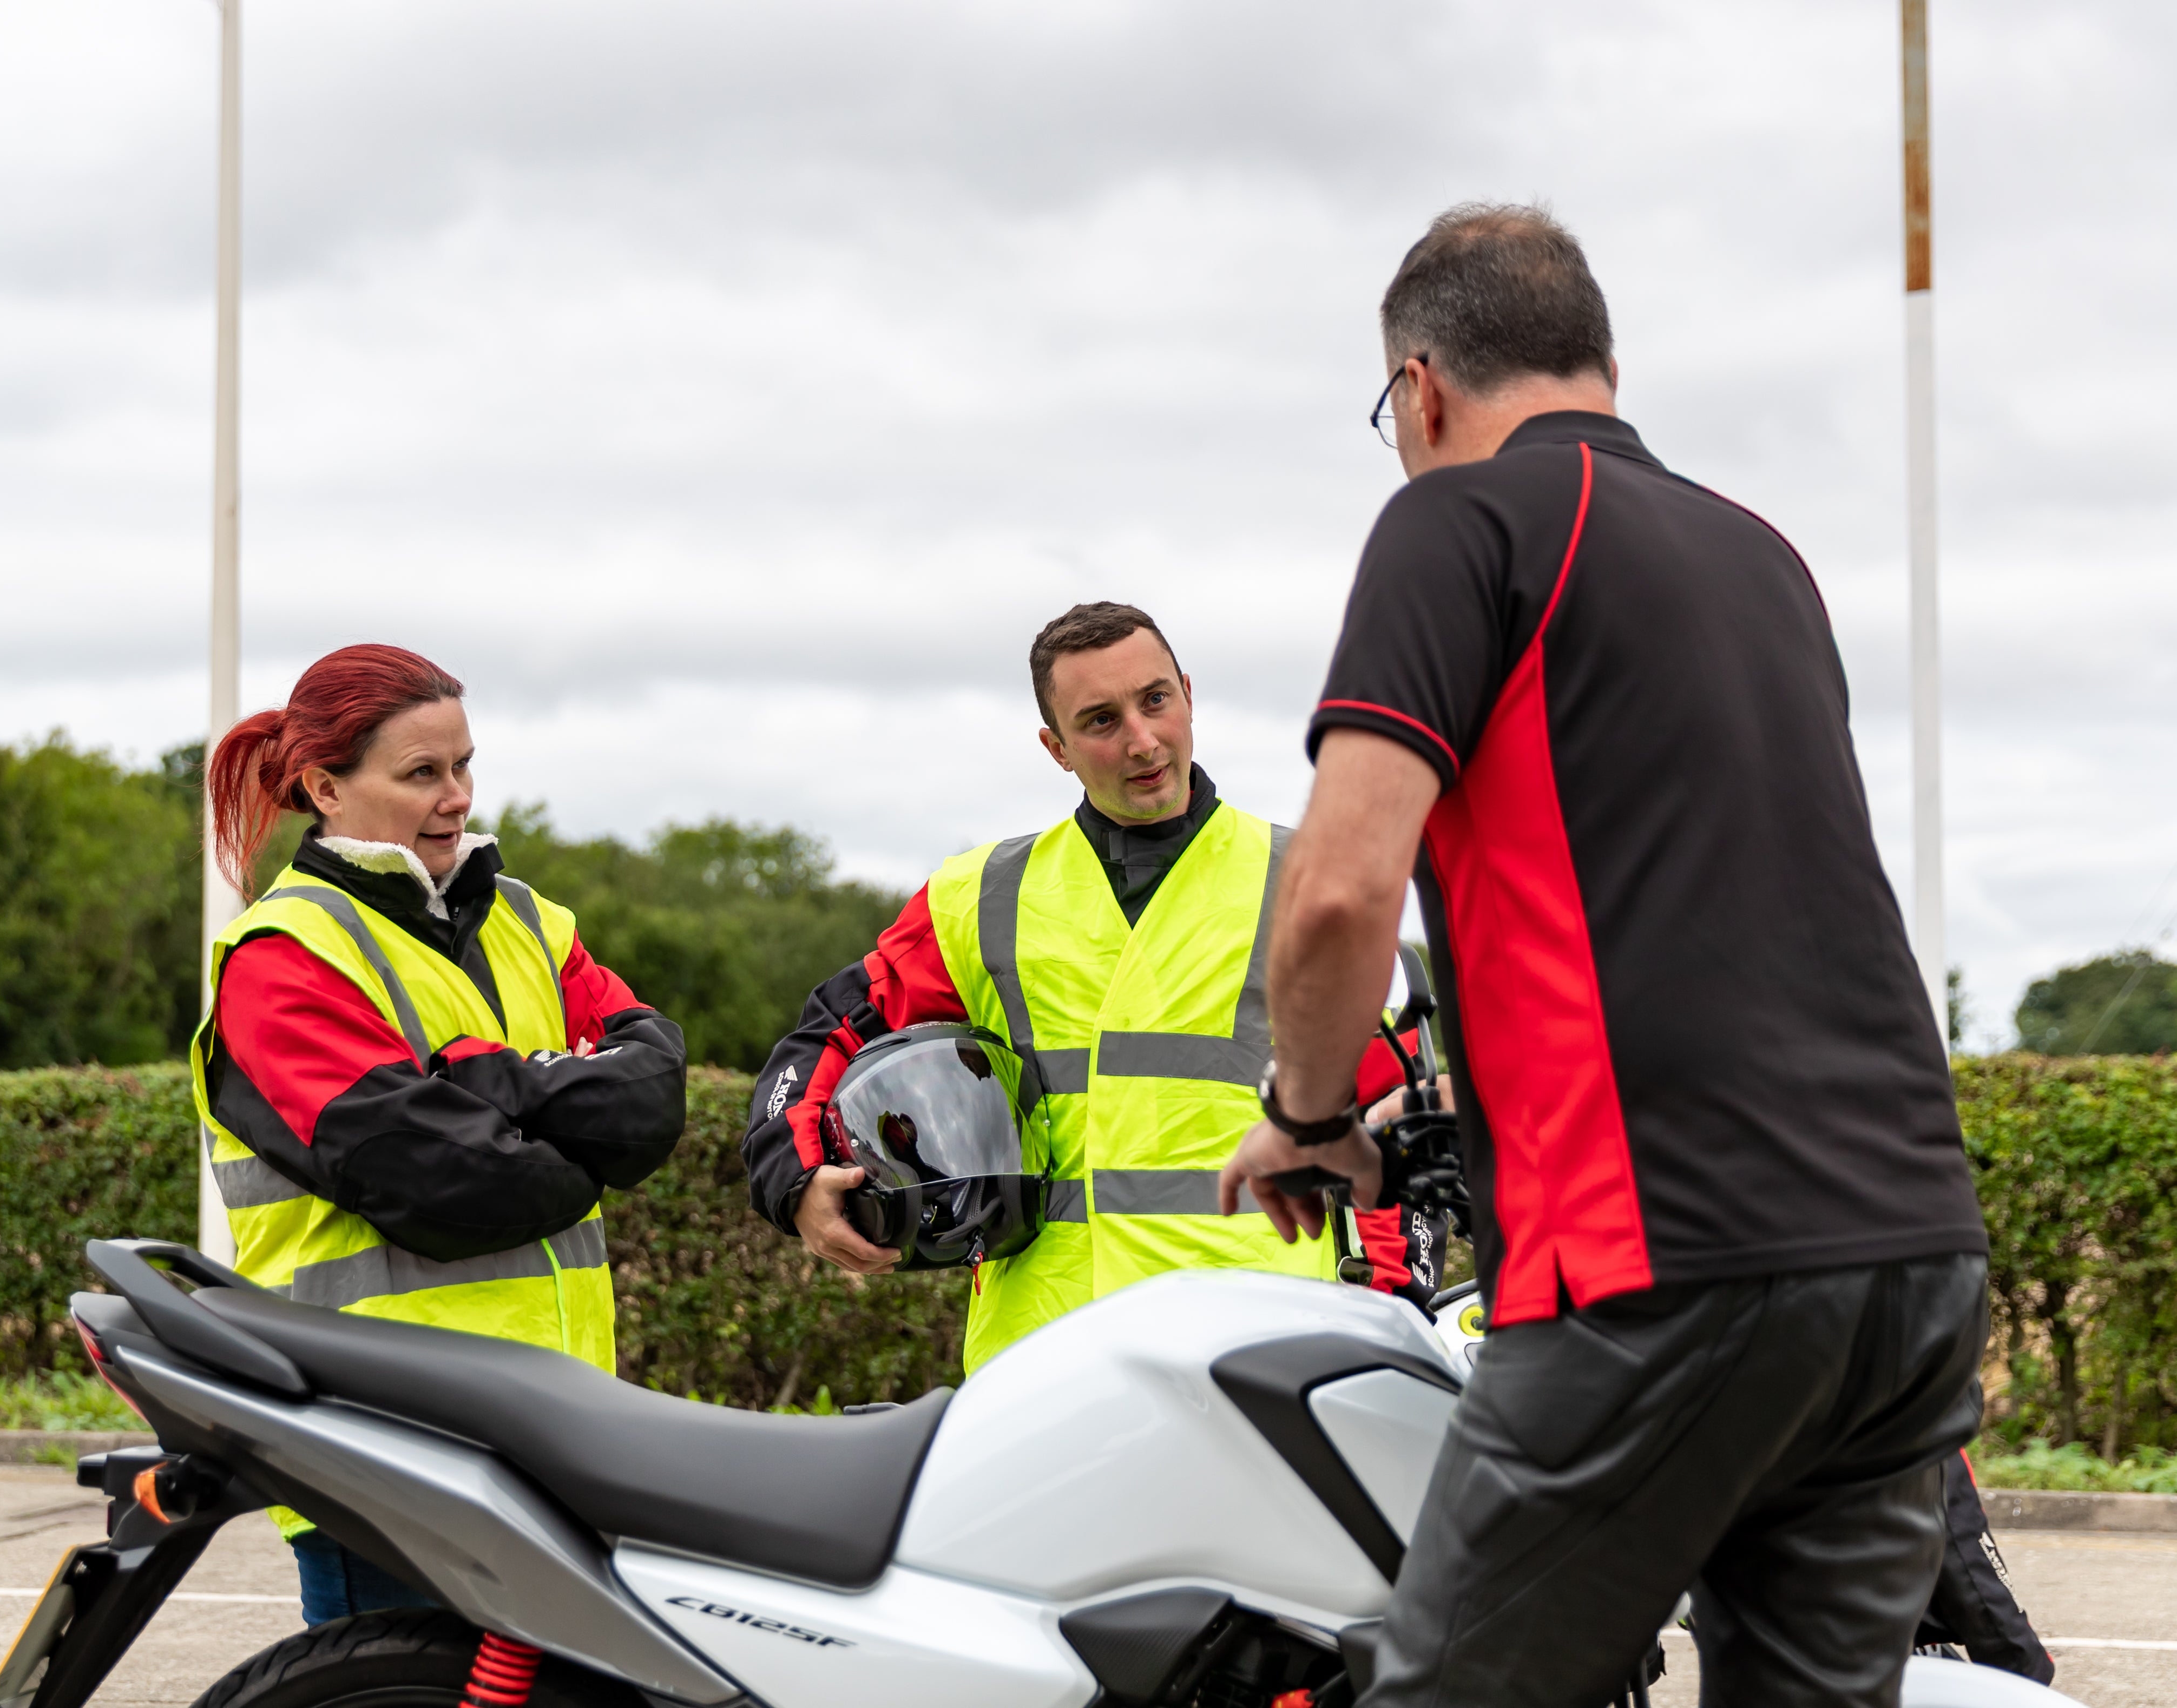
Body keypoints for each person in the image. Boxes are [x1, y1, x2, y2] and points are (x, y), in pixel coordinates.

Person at [1218, 205, 1993, 1707]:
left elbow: (1336, 888)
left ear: (1422, 388)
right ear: (1606, 367)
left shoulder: (1461, 521)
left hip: (1671, 1264)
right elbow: (1691, 926)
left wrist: (1308, 1113)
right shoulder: (1764, 554)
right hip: (1907, 1260)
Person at [744, 603, 1439, 1376]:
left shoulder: (1311, 884)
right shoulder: (979, 899)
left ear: (1186, 693)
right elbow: (825, 1041)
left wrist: (1391, 1321)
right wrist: (797, 1180)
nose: (1142, 741)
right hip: (1042, 1367)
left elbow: (1399, 1129)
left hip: (1262, 1359)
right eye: (1101, 720)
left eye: (1154, 701)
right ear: (1057, 748)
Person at [192, 643, 687, 1626]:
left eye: (464, 765)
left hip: (558, 1443)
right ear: (326, 787)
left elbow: (650, 1099)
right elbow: (450, 1185)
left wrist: (467, 1081)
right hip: (384, 1448)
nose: (456, 796)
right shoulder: (284, 956)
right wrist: (558, 1120)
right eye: (422, 773)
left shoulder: (530, 920)